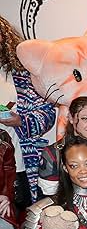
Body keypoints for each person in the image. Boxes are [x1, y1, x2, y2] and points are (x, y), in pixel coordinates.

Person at [0, 15, 56, 205]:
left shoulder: (23, 75)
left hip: (19, 164)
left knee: (19, 223)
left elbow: (47, 114)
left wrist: (21, 121)